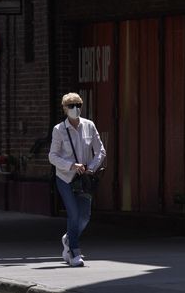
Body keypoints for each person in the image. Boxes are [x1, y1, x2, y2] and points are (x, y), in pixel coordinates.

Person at [48, 92, 106, 267]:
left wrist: (91, 168)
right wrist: (71, 165)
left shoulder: (89, 126)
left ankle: (68, 238)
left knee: (85, 216)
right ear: (65, 109)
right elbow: (52, 156)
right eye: (71, 106)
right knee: (73, 214)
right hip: (65, 178)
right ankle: (74, 252)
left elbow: (101, 150)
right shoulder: (59, 130)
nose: (75, 109)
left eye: (78, 105)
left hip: (85, 179)